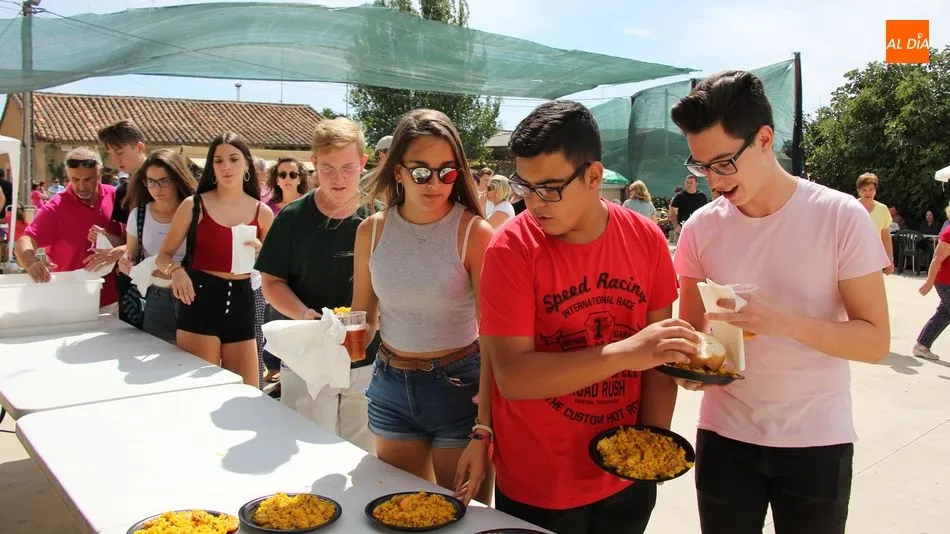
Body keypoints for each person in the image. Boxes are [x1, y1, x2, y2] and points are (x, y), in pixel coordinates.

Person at [670, 70, 890, 534]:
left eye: (723, 164)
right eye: (702, 166)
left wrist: (784, 322)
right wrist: (691, 367)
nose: (713, 182)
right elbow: (693, 336)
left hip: (817, 440)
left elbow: (875, 342)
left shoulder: (839, 216)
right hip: (725, 437)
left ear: (765, 139)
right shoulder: (701, 228)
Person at [478, 100, 697, 534]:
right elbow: (514, 377)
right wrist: (626, 352)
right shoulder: (510, 249)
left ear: (593, 176)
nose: (534, 203)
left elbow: (658, 360)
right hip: (540, 481)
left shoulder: (646, 238)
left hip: (626, 474)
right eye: (525, 186)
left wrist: (651, 448)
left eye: (549, 188)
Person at [351, 109, 494, 499]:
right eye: (421, 172)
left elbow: (493, 337)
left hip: (460, 387)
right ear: (397, 171)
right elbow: (363, 318)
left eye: (447, 172)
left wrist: (485, 425)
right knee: (401, 512)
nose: (435, 183)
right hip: (390, 386)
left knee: (465, 518)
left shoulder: (474, 232)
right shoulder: (370, 231)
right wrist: (333, 338)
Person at [257, 118, 380, 452]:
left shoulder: (380, 217)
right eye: (328, 169)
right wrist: (303, 314)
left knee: (364, 455)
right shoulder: (292, 218)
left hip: (368, 358)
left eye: (347, 168)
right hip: (307, 355)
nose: (338, 178)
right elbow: (272, 281)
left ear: (363, 163)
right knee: (308, 450)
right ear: (314, 164)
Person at [155, 132, 274, 388]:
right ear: (211, 166)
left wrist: (262, 254)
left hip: (243, 304)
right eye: (218, 160)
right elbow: (163, 256)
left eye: (234, 159)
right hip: (199, 302)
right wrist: (176, 270)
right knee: (200, 395)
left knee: (247, 395)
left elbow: (276, 268)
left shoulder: (262, 212)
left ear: (246, 165)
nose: (226, 166)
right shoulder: (193, 205)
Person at [14, 148, 123, 309]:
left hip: (116, 300)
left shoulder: (116, 195)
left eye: (88, 179)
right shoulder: (55, 208)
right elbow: (25, 240)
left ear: (99, 175)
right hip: (71, 301)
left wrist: (107, 238)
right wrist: (31, 263)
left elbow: (132, 243)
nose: (81, 186)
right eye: (75, 179)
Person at [118, 149, 197, 344]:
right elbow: (131, 254)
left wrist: (179, 271)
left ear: (177, 179)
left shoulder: (196, 212)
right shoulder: (138, 215)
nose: (156, 188)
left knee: (193, 357)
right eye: (150, 181)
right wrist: (126, 263)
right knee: (155, 352)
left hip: (194, 295)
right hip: (156, 296)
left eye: (163, 181)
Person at [95, 120, 150, 321]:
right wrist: (105, 237)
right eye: (110, 154)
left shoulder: (167, 183)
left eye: (119, 152)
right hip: (131, 277)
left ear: (139, 147)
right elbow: (127, 238)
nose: (116, 159)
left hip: (163, 279)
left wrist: (122, 249)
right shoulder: (123, 190)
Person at [913, 203, 950, 361]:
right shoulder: (949, 233)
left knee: (945, 313)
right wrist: (929, 282)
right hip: (944, 280)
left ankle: (922, 345)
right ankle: (921, 346)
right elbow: (937, 258)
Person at [855, 172, 895, 275]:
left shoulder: (883, 209)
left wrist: (890, 259)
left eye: (871, 189)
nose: (867, 193)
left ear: (875, 191)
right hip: (854, 259)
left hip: (875, 259)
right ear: (859, 191)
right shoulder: (851, 207)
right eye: (864, 189)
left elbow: (886, 237)